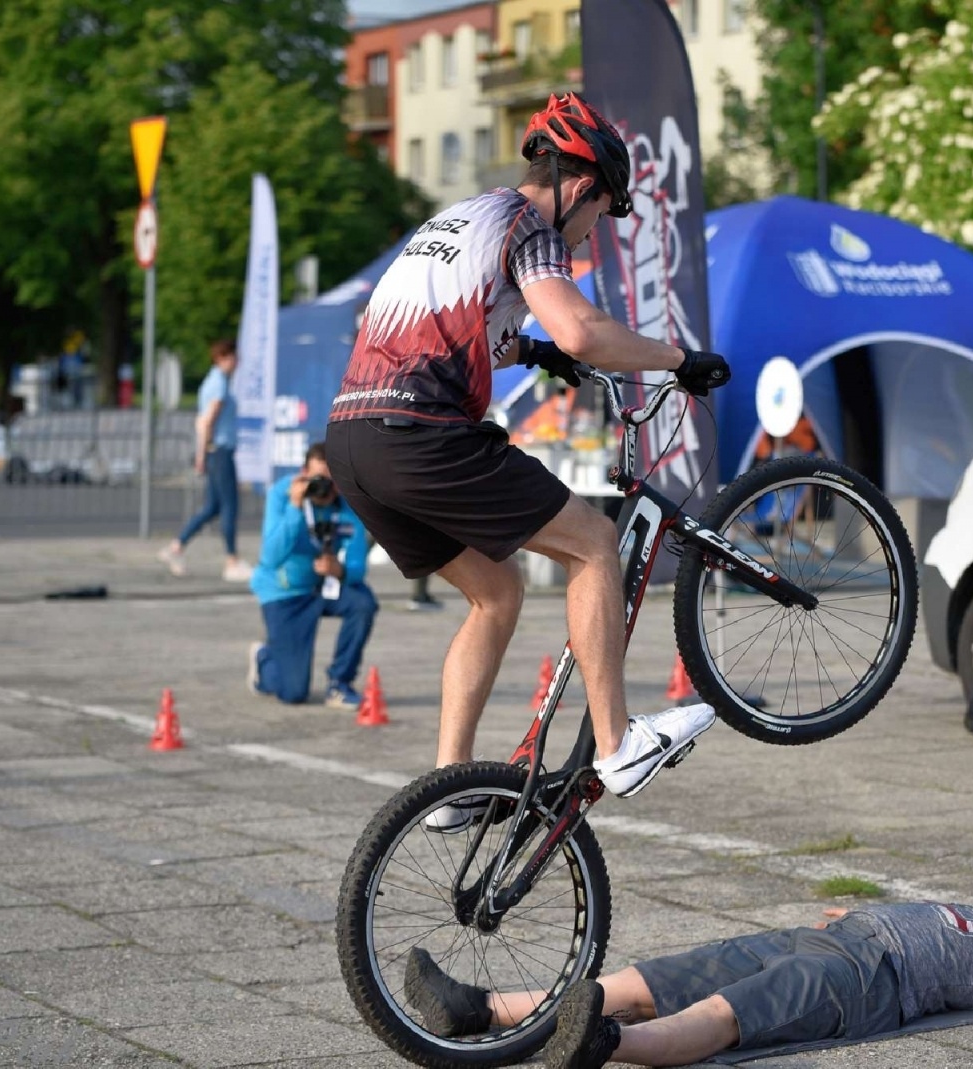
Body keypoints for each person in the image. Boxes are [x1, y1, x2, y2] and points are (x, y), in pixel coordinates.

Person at [325, 93, 732, 826]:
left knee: (497, 592)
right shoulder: (531, 226)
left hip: (355, 440)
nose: (587, 236)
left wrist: (534, 351)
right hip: (422, 432)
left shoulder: (454, 221)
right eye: (599, 217)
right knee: (595, 542)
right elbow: (581, 327)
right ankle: (617, 743)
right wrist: (678, 360)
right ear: (581, 188)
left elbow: (465, 324)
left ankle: (448, 790)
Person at [406, 899, 973, 1067]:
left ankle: (608, 1043)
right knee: (667, 972)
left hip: (874, 978)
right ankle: (482, 1009)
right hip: (845, 935)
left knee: (734, 1014)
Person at [246, 444, 378, 708]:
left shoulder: (348, 503)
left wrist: (339, 570)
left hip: (323, 586)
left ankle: (339, 683)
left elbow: (357, 566)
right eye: (319, 479)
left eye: (333, 480)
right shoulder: (282, 494)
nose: (325, 488)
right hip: (286, 592)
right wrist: (296, 508)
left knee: (363, 603)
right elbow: (270, 558)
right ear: (303, 474)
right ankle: (265, 659)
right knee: (293, 693)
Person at [159, 339, 253, 582]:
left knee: (213, 506)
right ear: (224, 358)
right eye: (234, 357)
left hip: (214, 450)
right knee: (230, 506)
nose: (237, 363)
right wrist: (202, 453)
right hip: (219, 450)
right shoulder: (219, 385)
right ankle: (232, 560)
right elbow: (205, 422)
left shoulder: (212, 382)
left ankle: (177, 547)